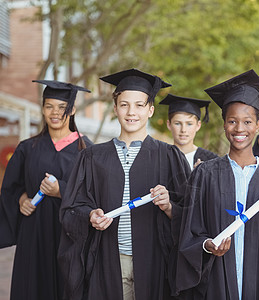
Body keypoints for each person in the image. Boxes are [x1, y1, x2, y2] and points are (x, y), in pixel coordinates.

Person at [58, 69, 191, 300]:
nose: (131, 112)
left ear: (150, 110)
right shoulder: (92, 157)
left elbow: (192, 213)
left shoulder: (169, 156)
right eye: (124, 105)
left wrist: (169, 206)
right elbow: (71, 208)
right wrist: (90, 215)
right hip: (107, 262)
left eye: (139, 105)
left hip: (155, 264)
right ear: (115, 107)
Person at [175, 70, 259, 299]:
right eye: (232, 121)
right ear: (224, 124)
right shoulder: (205, 174)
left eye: (247, 122)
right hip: (216, 282)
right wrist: (207, 245)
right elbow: (190, 229)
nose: (239, 129)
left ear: (257, 125)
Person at [0, 80, 92, 300]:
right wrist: (22, 199)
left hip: (69, 238)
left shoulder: (87, 151)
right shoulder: (27, 148)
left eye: (62, 107)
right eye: (49, 106)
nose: (55, 112)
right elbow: (12, 187)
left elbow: (94, 194)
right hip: (33, 236)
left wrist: (61, 190)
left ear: (73, 110)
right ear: (42, 108)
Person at [160, 93, 218, 170]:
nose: (183, 130)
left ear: (198, 125)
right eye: (177, 123)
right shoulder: (159, 158)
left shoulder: (211, 160)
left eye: (189, 124)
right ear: (169, 125)